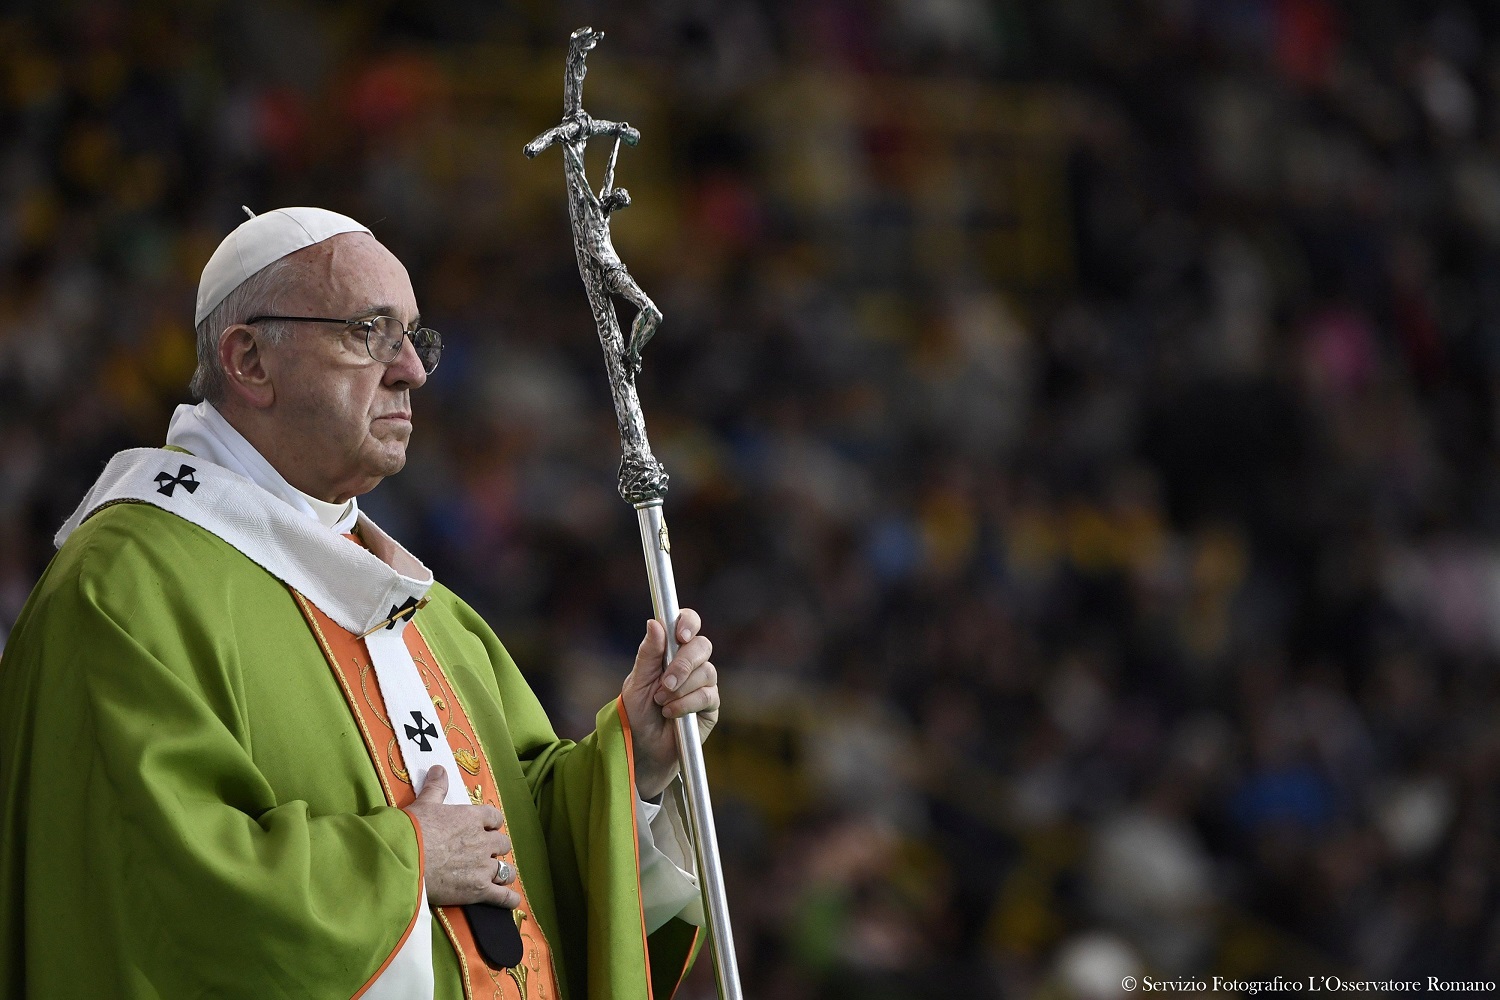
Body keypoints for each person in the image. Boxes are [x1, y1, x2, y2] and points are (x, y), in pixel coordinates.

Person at [0, 207, 719, 999]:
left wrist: (639, 764)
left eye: (416, 337)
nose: (411, 368)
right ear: (249, 360)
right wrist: (404, 861)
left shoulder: (426, 611)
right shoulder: (127, 588)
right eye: (371, 332)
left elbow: (526, 851)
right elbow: (148, 889)